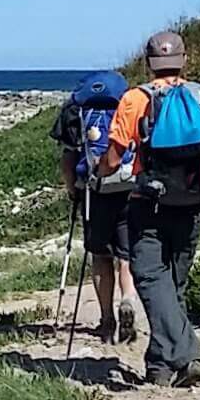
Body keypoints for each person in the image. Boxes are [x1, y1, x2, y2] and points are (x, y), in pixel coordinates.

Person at [96, 31, 200, 387]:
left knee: (149, 277)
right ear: (184, 60)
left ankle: (188, 354)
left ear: (148, 63)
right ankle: (160, 368)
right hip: (193, 202)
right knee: (175, 284)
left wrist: (98, 173)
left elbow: (112, 159)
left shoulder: (135, 99)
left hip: (149, 204)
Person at [51, 73, 141, 341]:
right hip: (129, 186)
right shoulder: (130, 103)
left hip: (94, 190)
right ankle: (127, 299)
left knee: (101, 255)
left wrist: (72, 190)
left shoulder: (74, 110)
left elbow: (68, 160)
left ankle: (106, 319)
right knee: (127, 255)